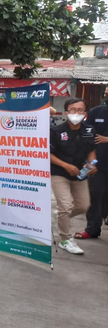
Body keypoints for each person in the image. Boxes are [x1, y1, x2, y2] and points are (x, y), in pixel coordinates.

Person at [50, 98, 96, 254]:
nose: (76, 113)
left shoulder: (89, 131)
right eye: (73, 110)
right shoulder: (56, 131)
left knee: (83, 205)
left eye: (80, 110)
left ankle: (60, 215)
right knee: (65, 205)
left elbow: (91, 151)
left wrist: (91, 165)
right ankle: (64, 239)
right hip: (59, 173)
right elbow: (47, 154)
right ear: (67, 112)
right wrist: (65, 165)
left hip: (80, 174)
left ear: (85, 113)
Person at [79, 88, 108, 240]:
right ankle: (92, 230)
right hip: (97, 163)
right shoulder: (96, 112)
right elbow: (85, 134)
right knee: (94, 195)